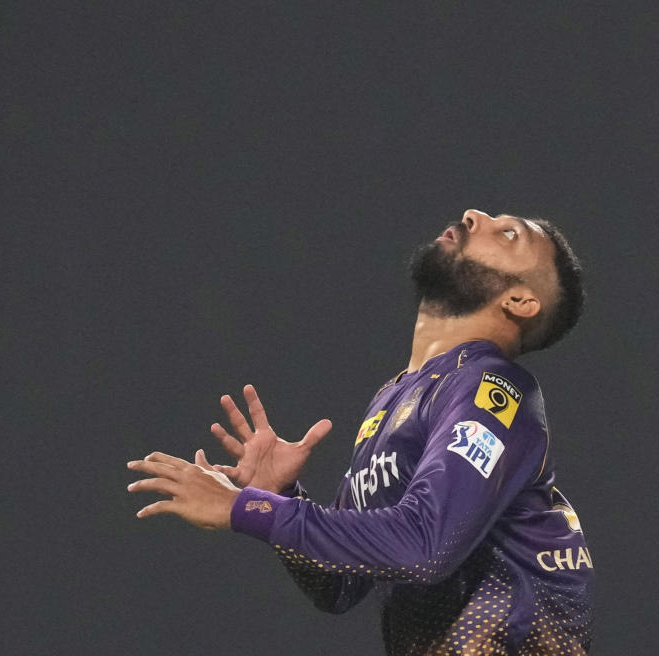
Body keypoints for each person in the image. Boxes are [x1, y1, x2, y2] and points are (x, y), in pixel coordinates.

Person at [127, 209, 595, 655]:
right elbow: (341, 584)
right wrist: (284, 495)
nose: (475, 216)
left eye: (510, 234)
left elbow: (424, 547)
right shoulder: (395, 399)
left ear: (519, 301)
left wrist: (244, 507)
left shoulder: (493, 388)